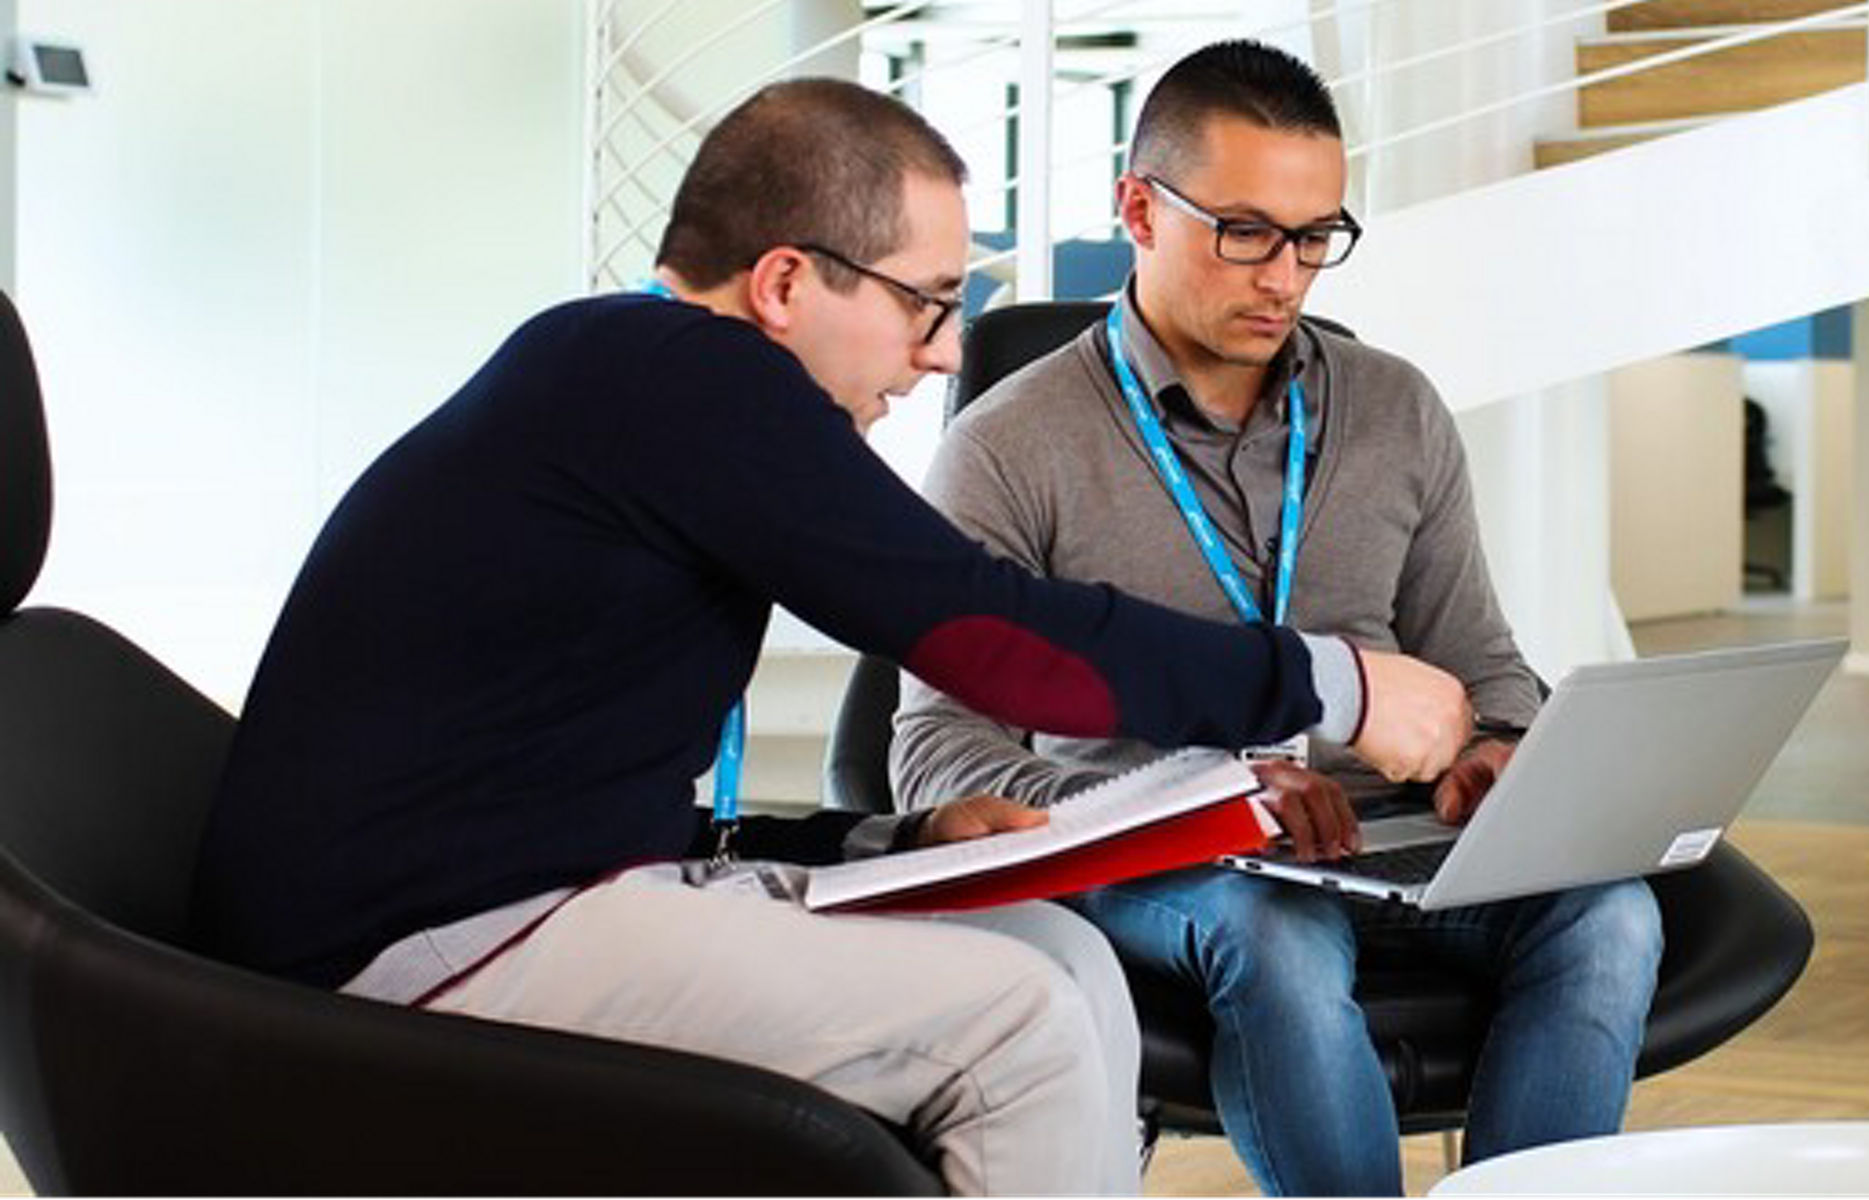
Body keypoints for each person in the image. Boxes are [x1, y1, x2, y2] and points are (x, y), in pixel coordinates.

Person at [190, 77, 1473, 1195]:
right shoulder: (694, 378)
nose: (943, 352)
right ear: (788, 283)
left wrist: (884, 840)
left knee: (1056, 953)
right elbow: (987, 635)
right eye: (925, 304)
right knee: (1015, 1025)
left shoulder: (619, 377)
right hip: (426, 949)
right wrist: (1328, 680)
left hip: (523, 894)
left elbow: (573, 790)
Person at [890, 41, 1665, 1196]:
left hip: (1386, 839)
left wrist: (1497, 748)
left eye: (1314, 237)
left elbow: (1480, 658)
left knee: (1609, 912)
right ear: (1137, 210)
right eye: (1245, 231)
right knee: (1276, 938)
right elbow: (933, 751)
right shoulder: (1007, 449)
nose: (1284, 277)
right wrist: (1189, 798)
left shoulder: (1393, 409)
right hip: (1165, 857)